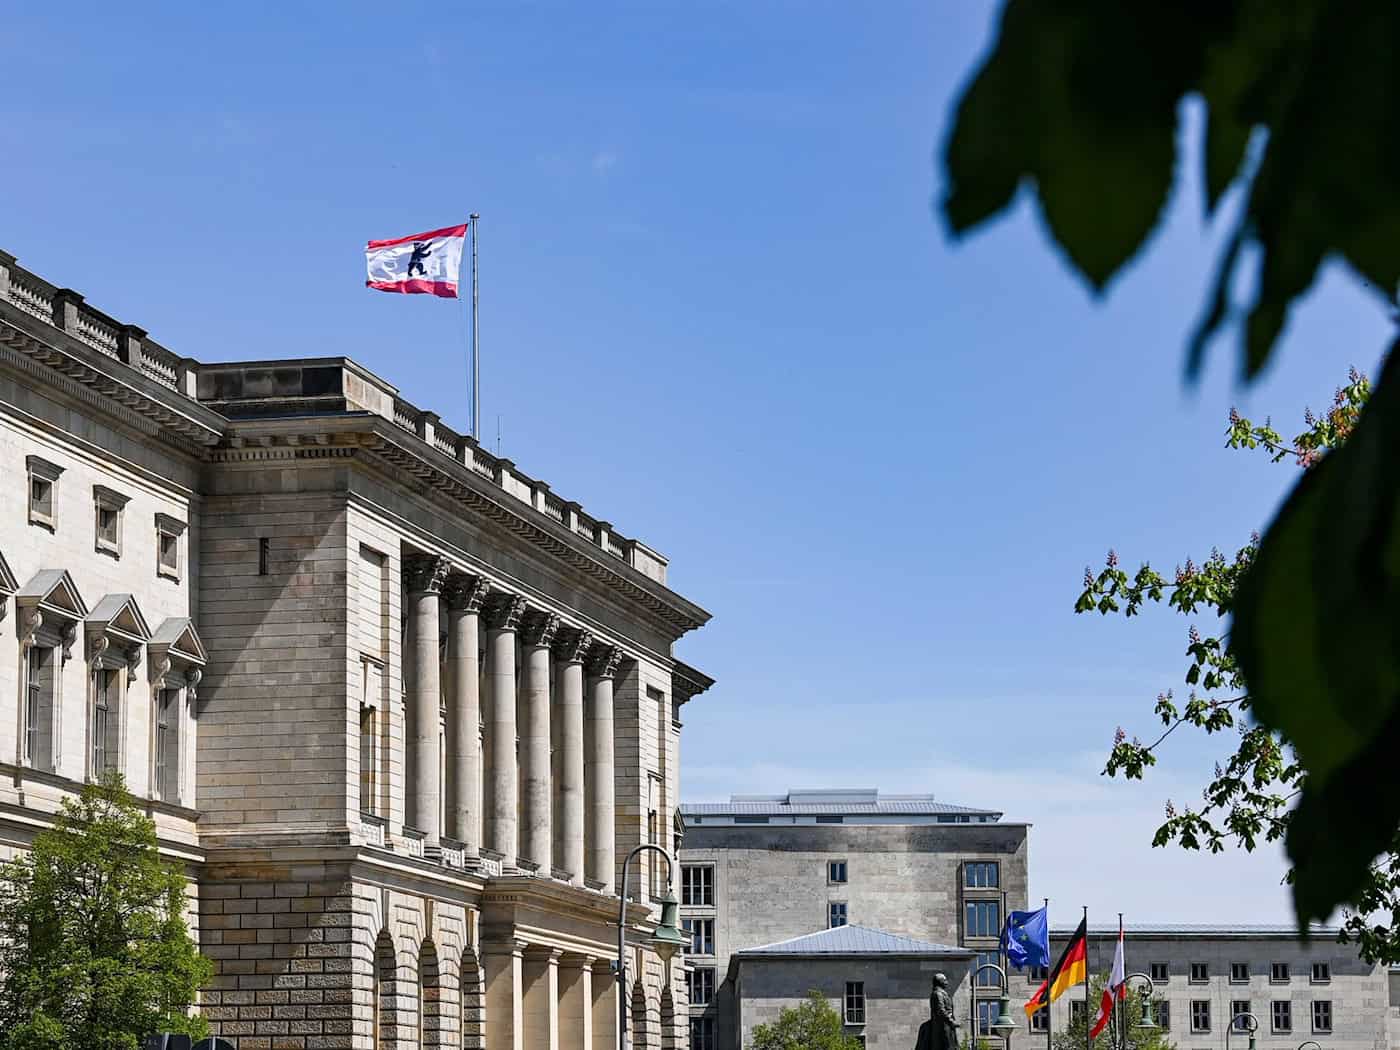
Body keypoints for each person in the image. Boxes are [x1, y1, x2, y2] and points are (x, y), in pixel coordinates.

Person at [914, 972, 960, 1050]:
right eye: (945, 980)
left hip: (946, 1025)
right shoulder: (937, 994)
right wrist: (951, 1021)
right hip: (942, 1026)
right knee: (946, 1047)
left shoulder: (942, 993)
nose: (947, 982)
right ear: (939, 981)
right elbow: (941, 1010)